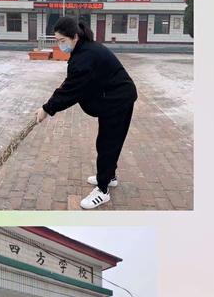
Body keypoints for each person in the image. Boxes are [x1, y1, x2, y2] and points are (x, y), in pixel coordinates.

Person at [36, 16, 138, 210]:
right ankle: (109, 176)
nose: (60, 45)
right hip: (114, 97)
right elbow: (74, 84)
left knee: (107, 143)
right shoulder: (84, 49)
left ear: (74, 37)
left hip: (118, 100)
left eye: (62, 41)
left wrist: (47, 109)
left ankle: (102, 190)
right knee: (110, 141)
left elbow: (70, 90)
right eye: (57, 41)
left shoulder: (85, 55)